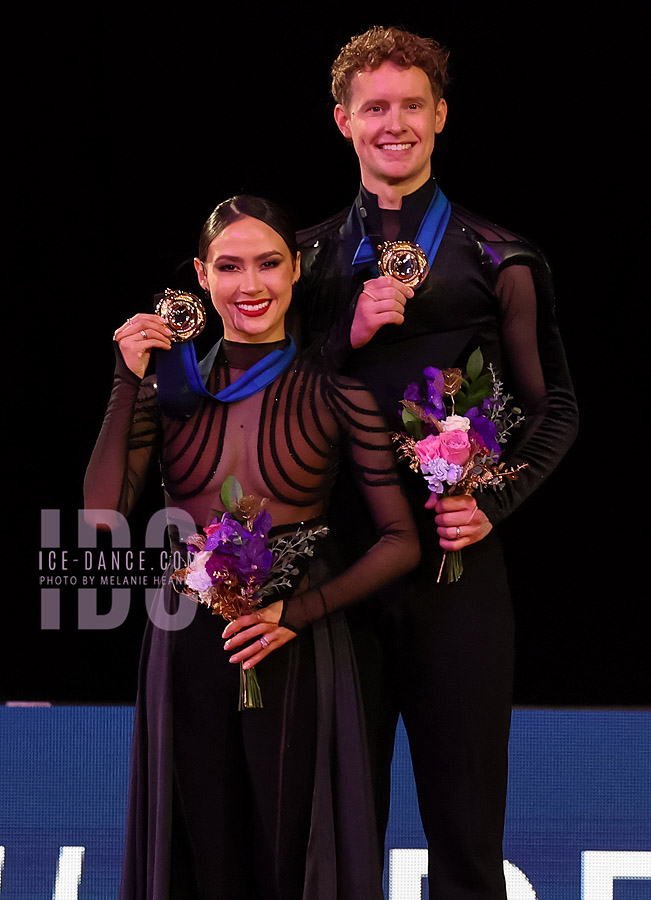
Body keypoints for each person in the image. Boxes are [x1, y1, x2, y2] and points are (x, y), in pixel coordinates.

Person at [293, 25, 579, 900]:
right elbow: (272, 413)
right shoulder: (295, 264)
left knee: (463, 829)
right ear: (342, 120)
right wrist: (343, 333)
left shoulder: (500, 256)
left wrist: (494, 504)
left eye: (411, 104)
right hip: (339, 571)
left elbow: (554, 409)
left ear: (440, 115)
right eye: (373, 106)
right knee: (336, 835)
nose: (394, 122)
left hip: (457, 575)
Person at [83, 194, 420, 900]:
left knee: (289, 853)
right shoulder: (169, 396)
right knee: (204, 854)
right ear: (202, 278)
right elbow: (102, 518)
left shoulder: (337, 393)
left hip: (296, 641)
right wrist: (126, 377)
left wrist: (293, 615)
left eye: (269, 263)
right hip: (187, 643)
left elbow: (398, 542)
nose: (252, 285)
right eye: (230, 267)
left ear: (296, 269)